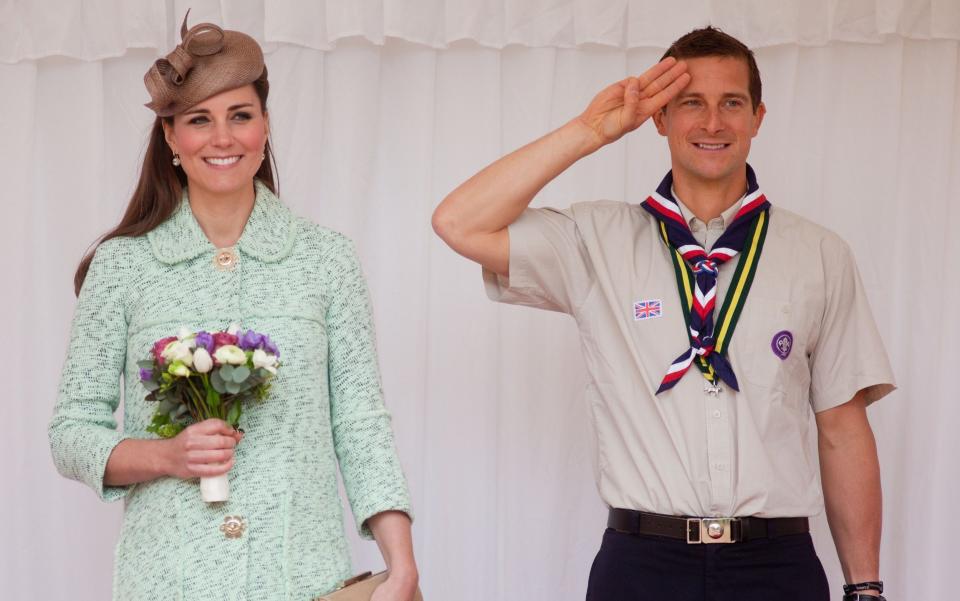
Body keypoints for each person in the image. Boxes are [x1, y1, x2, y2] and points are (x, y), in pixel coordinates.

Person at [432, 26, 893, 601]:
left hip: (776, 567)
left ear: (758, 116)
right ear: (659, 118)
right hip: (641, 566)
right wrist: (590, 132)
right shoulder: (594, 241)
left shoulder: (819, 255)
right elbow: (459, 223)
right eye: (690, 104)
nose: (712, 123)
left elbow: (843, 432)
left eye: (732, 103)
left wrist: (866, 588)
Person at [48, 14, 419, 601]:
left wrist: (401, 565)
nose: (223, 138)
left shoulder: (327, 260)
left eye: (240, 116)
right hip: (170, 577)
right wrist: (165, 455)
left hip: (302, 573)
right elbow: (71, 433)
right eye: (199, 120)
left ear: (265, 125)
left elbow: (361, 421)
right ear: (171, 137)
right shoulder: (123, 266)